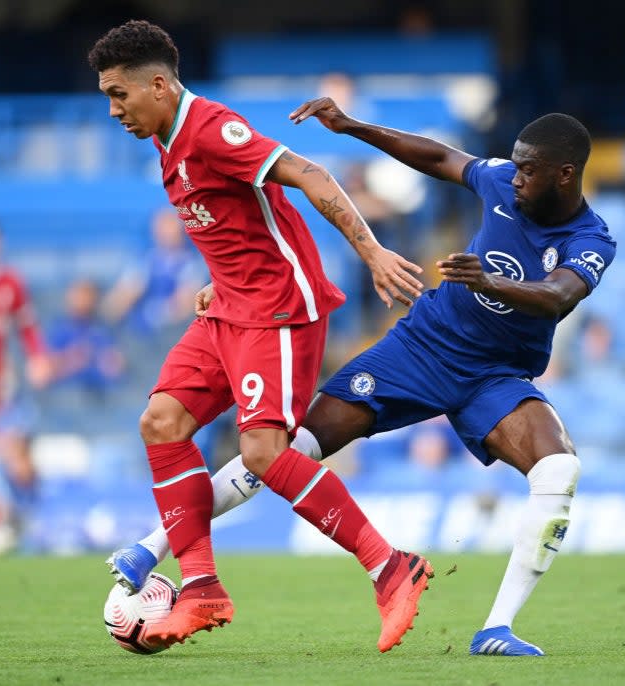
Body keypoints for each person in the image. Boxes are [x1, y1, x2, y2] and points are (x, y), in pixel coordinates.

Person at [113, 98, 616, 656]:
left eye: (528, 170)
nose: (515, 176)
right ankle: (155, 544)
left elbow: (556, 297)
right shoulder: (501, 182)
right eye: (515, 165)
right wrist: (353, 128)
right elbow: (439, 156)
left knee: (559, 469)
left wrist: (491, 285)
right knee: (284, 448)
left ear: (564, 174)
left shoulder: (591, 238)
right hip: (420, 348)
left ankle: (496, 628)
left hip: (495, 376)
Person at [87, 20, 431, 652]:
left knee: (265, 452)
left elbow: (312, 176)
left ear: (158, 85)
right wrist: (219, 280)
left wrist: (373, 253)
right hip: (230, 309)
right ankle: (200, 588)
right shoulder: (165, 141)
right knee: (161, 422)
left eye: (119, 94)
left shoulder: (213, 130)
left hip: (278, 310)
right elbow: (237, 223)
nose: (113, 109)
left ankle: (391, 567)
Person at [0, 218, 52, 555]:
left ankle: (19, 519)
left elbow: (28, 327)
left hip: (1, 387)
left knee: (17, 459)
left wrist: (37, 358)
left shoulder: (9, 283)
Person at [102, 207, 208, 335]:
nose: (166, 232)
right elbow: (121, 297)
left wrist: (154, 315)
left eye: (170, 226)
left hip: (175, 333)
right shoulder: (146, 260)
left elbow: (185, 304)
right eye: (162, 226)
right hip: (142, 333)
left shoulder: (193, 262)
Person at [47, 278, 126, 395]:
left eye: (87, 296)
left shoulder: (104, 328)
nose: (83, 301)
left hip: (102, 393)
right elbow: (46, 368)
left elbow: (117, 365)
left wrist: (106, 361)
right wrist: (71, 359)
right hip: (67, 393)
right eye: (79, 296)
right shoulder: (59, 329)